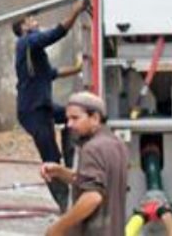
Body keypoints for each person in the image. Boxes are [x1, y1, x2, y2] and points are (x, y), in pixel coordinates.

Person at [12, 0, 88, 213]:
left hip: (42, 105)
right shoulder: (28, 42)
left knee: (70, 117)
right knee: (50, 158)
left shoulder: (32, 51)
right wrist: (76, 10)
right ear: (24, 27)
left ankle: (71, 154)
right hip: (33, 111)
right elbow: (57, 33)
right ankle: (65, 204)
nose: (36, 22)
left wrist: (76, 68)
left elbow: (50, 73)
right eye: (32, 20)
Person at [40, 92, 128, 236]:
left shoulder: (92, 149)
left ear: (95, 118)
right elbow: (93, 181)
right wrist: (60, 171)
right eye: (68, 119)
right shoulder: (117, 144)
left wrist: (58, 227)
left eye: (75, 118)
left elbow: (92, 196)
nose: (69, 124)